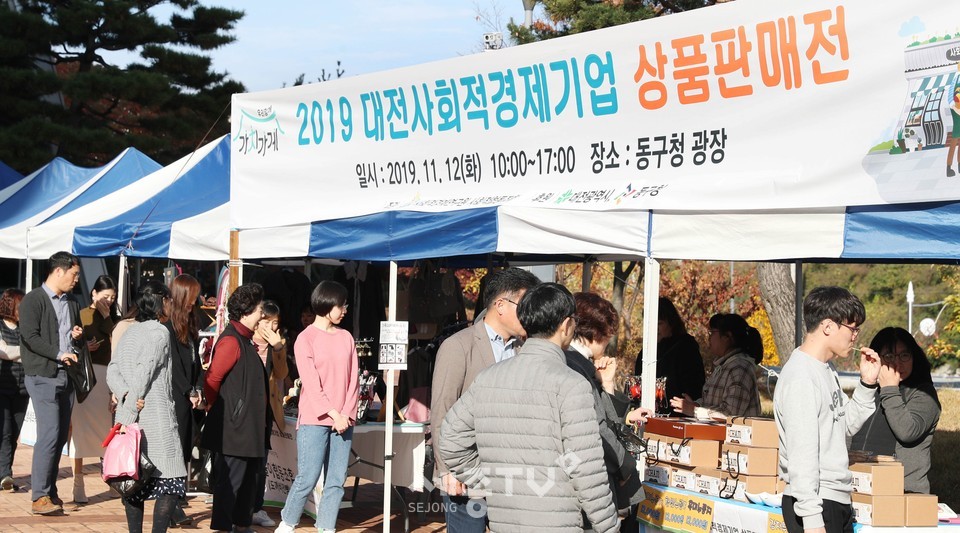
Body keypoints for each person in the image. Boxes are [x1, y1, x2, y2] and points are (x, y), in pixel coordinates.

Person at [438, 282, 620, 532]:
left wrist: (492, 481)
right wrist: (609, 527)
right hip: (557, 521)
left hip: (505, 519)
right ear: (566, 325)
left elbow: (449, 439)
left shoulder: (488, 378)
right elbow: (586, 469)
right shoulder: (571, 384)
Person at [430, 267, 540, 531]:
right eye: (525, 305)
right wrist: (447, 470)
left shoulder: (525, 349)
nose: (530, 314)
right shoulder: (458, 345)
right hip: (466, 469)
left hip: (514, 474)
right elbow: (442, 410)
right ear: (500, 305)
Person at [774, 286, 882, 533]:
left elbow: (845, 426)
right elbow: (802, 454)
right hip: (816, 503)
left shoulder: (825, 369)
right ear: (828, 326)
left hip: (834, 498)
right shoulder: (801, 376)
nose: (855, 336)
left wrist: (867, 383)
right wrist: (812, 519)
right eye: (852, 328)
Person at [563, 292, 651, 532]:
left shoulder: (578, 364)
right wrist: (625, 465)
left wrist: (609, 384)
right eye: (608, 337)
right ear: (597, 334)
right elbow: (601, 427)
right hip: (593, 479)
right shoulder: (574, 366)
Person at [275, 282, 358, 533]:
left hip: (344, 418)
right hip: (315, 417)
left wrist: (345, 414)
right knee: (308, 477)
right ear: (326, 304)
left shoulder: (346, 337)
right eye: (340, 304)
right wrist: (334, 413)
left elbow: (353, 380)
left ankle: (327, 527)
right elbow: (310, 383)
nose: (344, 309)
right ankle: (288, 521)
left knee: (336, 480)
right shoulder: (305, 338)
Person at [107, 281, 185, 533]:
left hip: (131, 414)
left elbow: (113, 370)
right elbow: (146, 370)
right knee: (170, 481)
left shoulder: (131, 330)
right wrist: (131, 408)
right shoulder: (159, 331)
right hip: (154, 416)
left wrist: (125, 395)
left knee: (135, 481)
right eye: (169, 299)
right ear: (161, 301)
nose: (171, 304)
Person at [18, 251, 83, 515]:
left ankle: (50, 491)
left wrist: (77, 336)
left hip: (66, 375)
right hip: (43, 374)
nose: (76, 280)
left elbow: (69, 336)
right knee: (49, 433)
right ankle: (39, 496)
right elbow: (30, 337)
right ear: (59, 271)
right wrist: (59, 353)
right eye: (74, 274)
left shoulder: (71, 302)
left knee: (59, 436)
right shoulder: (34, 300)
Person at [201, 283, 267, 533]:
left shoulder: (245, 340)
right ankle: (223, 526)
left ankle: (241, 523)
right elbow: (212, 380)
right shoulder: (231, 340)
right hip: (233, 428)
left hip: (246, 428)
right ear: (246, 312)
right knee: (231, 483)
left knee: (249, 481)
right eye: (260, 309)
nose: (262, 314)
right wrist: (217, 407)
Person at [851, 327, 941, 493]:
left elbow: (907, 431)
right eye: (889, 356)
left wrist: (890, 389)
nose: (897, 363)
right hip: (859, 487)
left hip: (902, 493)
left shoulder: (924, 394)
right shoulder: (870, 391)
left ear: (914, 358)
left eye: (904, 355)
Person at [70, 274, 118, 504]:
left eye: (112, 297)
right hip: (86, 375)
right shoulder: (81, 314)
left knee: (106, 431)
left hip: (107, 374)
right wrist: (84, 348)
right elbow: (70, 342)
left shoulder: (112, 316)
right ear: (94, 293)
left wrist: (108, 316)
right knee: (80, 431)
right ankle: (77, 483)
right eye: (105, 296)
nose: (108, 300)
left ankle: (110, 479)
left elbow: (116, 339)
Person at [670, 313, 763, 418]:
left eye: (712, 333)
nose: (709, 338)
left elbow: (730, 415)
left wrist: (695, 411)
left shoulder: (739, 368)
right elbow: (712, 403)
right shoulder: (724, 365)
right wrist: (696, 405)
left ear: (727, 336)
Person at [165, 274, 203, 527]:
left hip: (189, 398)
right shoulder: (167, 328)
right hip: (174, 399)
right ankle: (171, 506)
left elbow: (195, 363)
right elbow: (173, 368)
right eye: (192, 295)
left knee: (186, 448)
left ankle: (176, 498)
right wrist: (188, 390)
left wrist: (198, 387)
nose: (196, 300)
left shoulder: (190, 325)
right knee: (175, 452)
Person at [250, 300, 288, 528]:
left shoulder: (278, 344)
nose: (272, 328)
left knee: (262, 460)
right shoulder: (245, 341)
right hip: (246, 410)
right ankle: (243, 507)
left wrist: (278, 348)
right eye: (267, 322)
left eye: (275, 323)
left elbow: (282, 373)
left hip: (266, 410)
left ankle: (257, 507)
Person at [634, 297, 705, 403]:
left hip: (679, 414)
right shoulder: (646, 352)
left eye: (659, 324)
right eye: (649, 324)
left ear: (671, 323)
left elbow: (694, 387)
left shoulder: (686, 347)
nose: (654, 329)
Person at [0, 288, 27, 492]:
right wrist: (24, 353)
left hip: (23, 389)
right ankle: (5, 474)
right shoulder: (0, 326)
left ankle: (5, 471)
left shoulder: (25, 328)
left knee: (14, 432)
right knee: (5, 431)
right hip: (3, 388)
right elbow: (4, 352)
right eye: (21, 306)